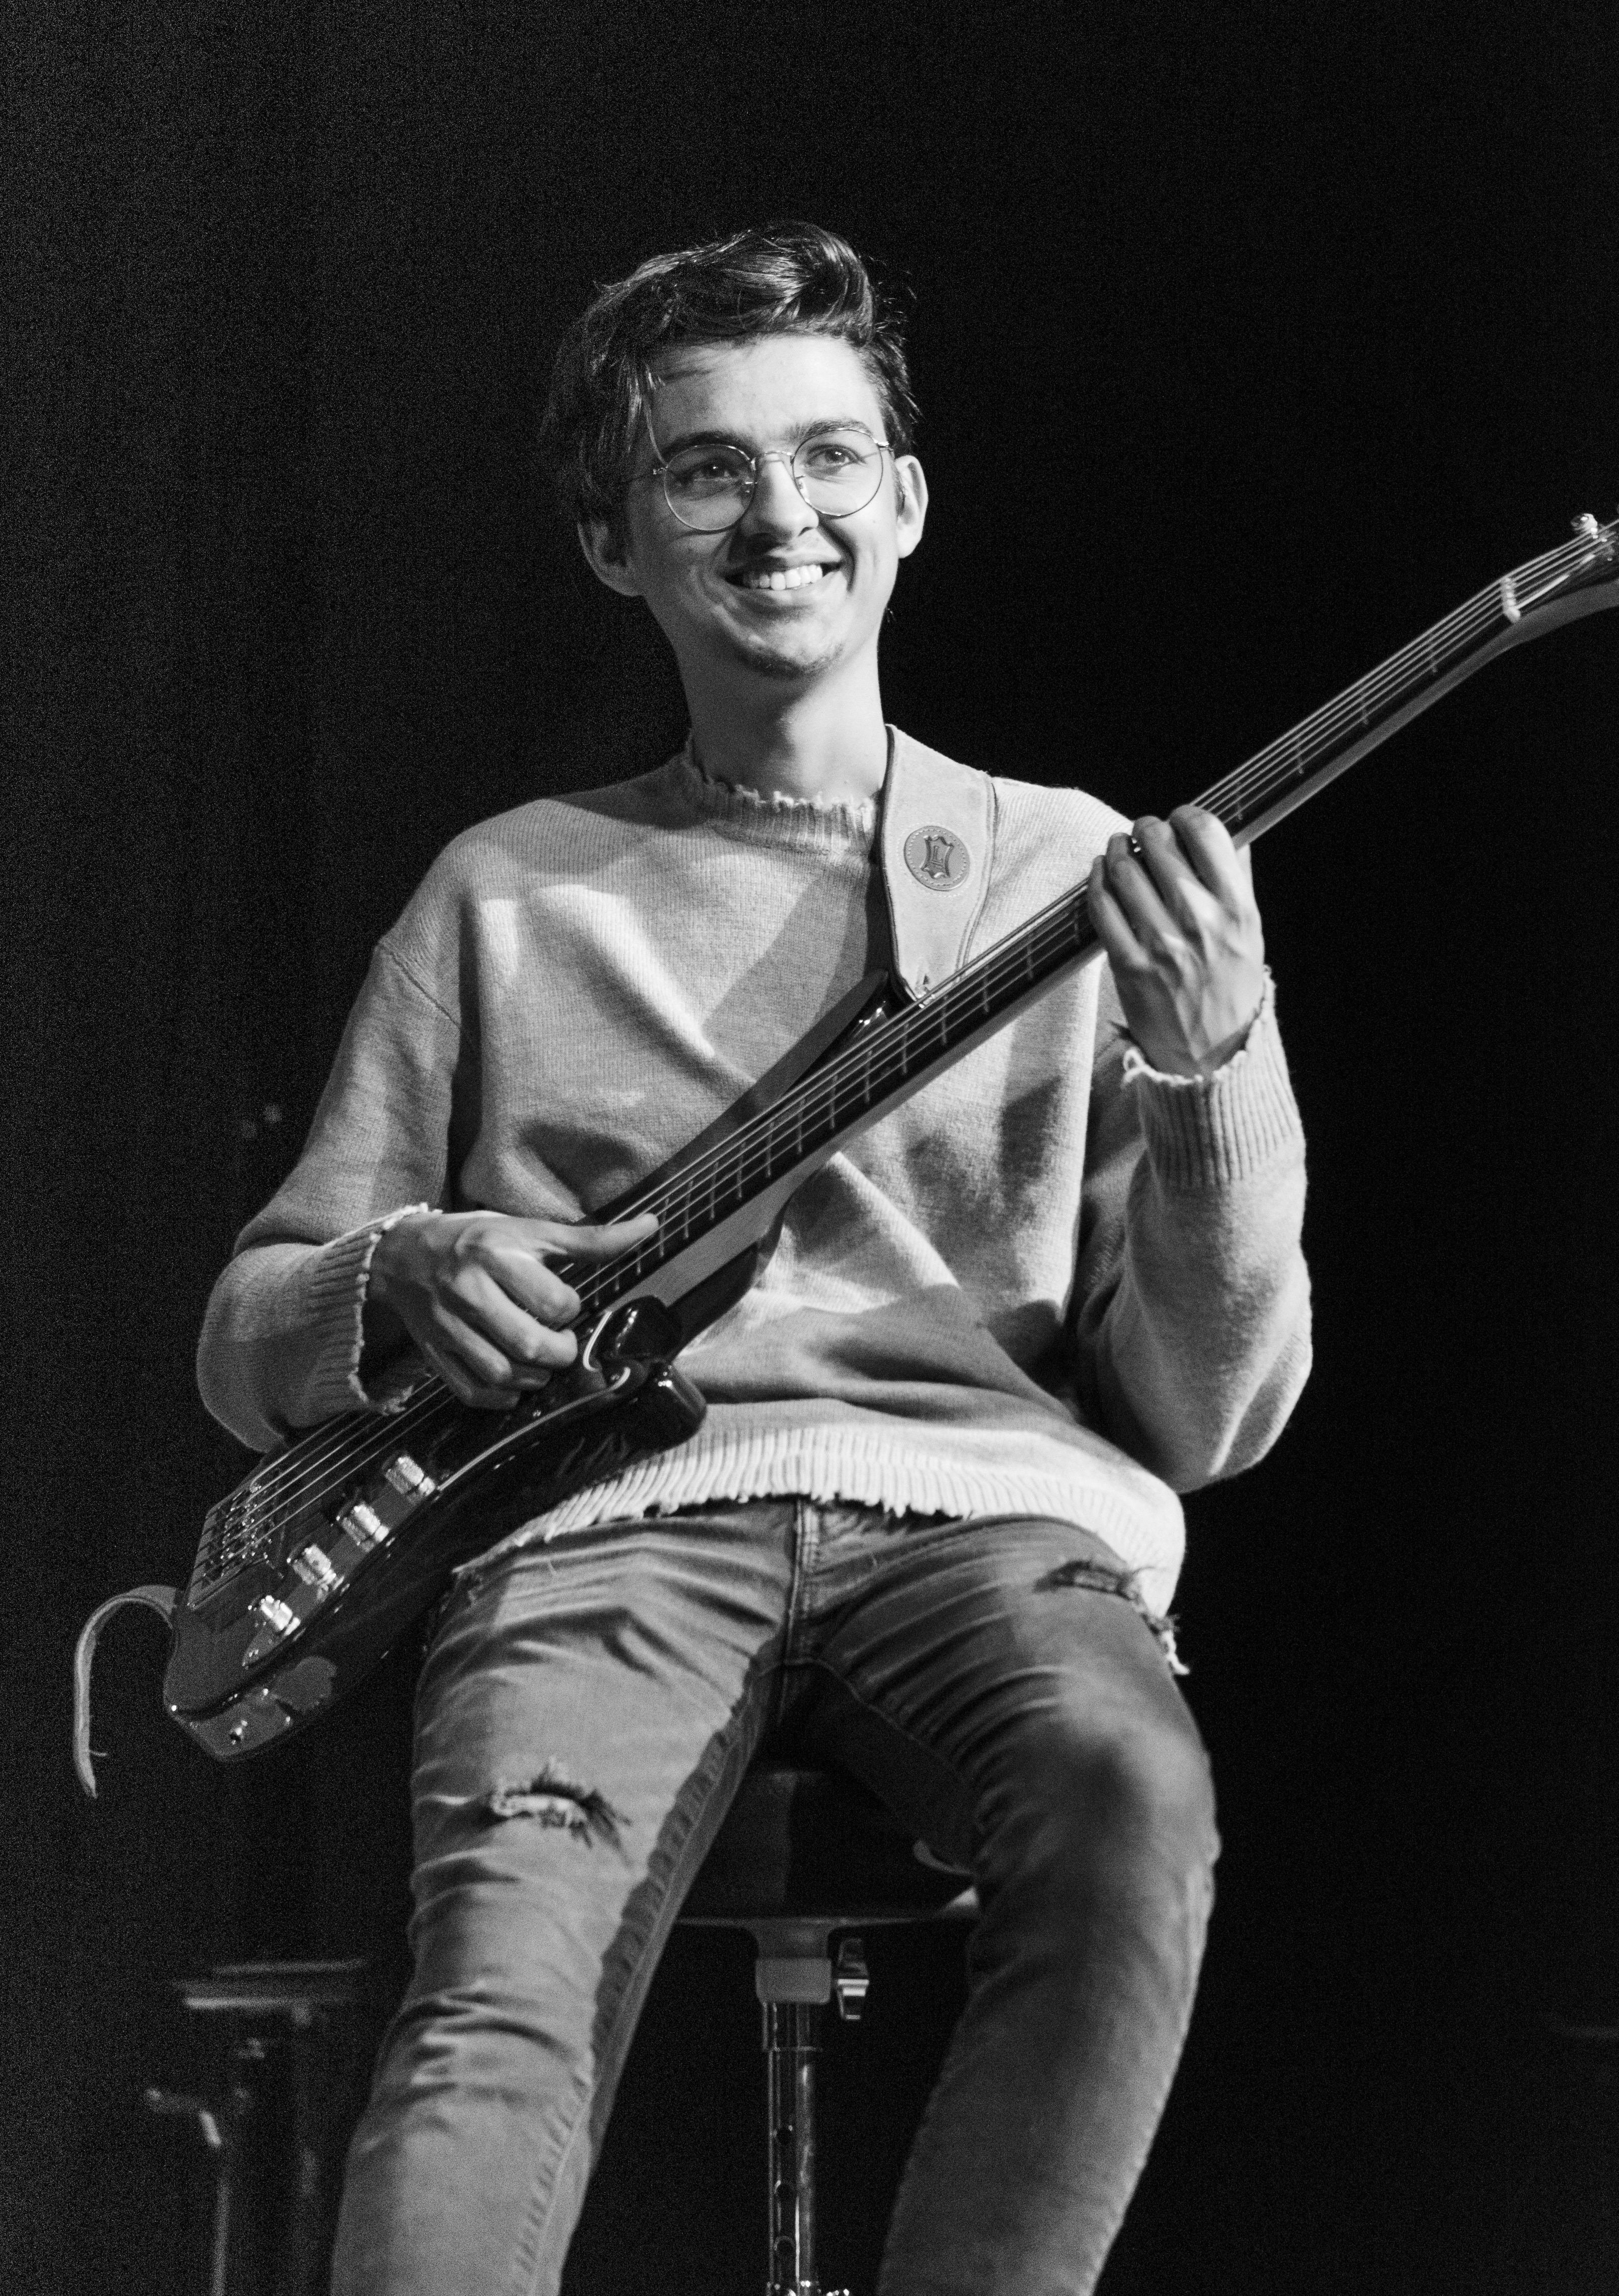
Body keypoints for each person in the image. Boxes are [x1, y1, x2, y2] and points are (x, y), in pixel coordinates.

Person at [197, 220, 1310, 2296]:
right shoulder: (507, 893)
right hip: (606, 1522)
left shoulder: (1074, 870)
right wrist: (404, 1272)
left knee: (1127, 1802)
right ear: (619, 542)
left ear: (903, 502)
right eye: (706, 467)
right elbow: (247, 1338)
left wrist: (1212, 1059)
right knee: (493, 1993)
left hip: (984, 1521)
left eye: (826, 456)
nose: (775, 508)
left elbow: (1215, 1413)